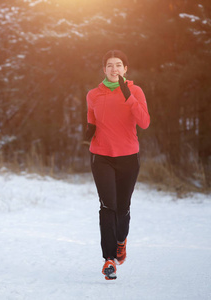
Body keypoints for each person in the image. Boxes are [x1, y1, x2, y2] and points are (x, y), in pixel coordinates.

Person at [85, 50, 150, 280]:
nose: (114, 69)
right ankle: (109, 259)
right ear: (104, 69)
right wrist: (87, 134)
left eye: (118, 65)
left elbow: (144, 122)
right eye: (110, 65)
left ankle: (121, 242)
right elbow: (92, 122)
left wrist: (127, 95)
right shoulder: (93, 94)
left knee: (122, 208)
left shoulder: (135, 91)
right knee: (107, 207)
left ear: (125, 69)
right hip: (101, 156)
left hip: (128, 157)